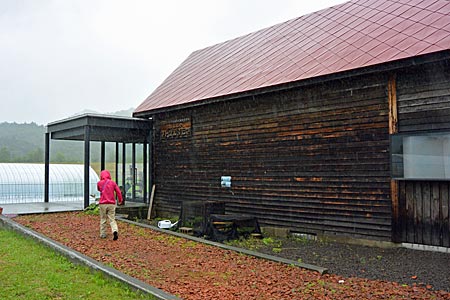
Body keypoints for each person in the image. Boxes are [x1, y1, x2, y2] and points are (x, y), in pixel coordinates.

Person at [97, 170, 123, 240]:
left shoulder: (99, 183)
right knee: (112, 219)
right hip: (111, 203)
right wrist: (120, 200)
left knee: (103, 219)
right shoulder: (113, 183)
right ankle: (114, 230)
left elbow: (99, 190)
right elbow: (118, 192)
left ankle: (103, 234)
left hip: (102, 204)